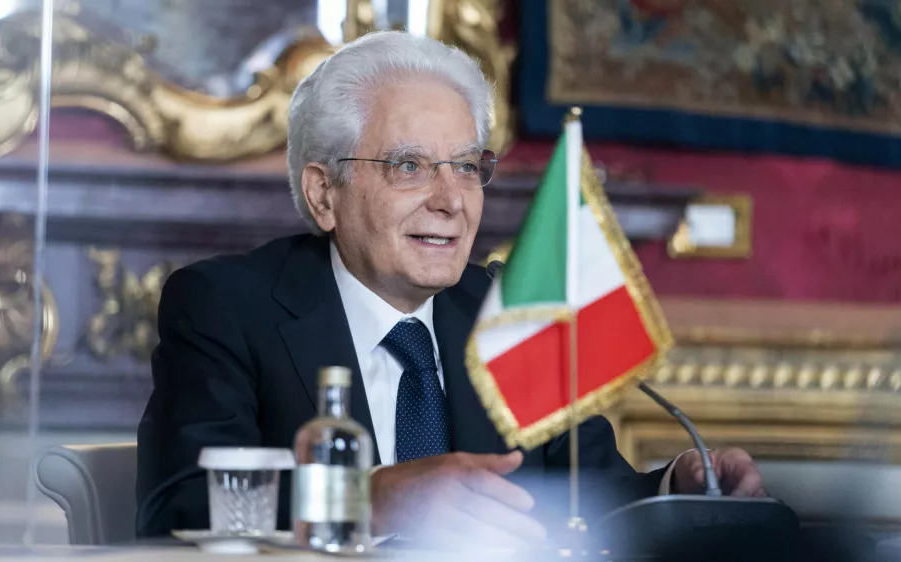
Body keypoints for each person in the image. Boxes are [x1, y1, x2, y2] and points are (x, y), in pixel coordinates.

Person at [135, 30, 764, 545]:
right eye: (409, 166)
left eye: (467, 166)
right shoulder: (226, 307)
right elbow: (180, 505)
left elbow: (583, 494)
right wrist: (369, 501)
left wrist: (679, 485)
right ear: (324, 193)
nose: (451, 200)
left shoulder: (504, 313)